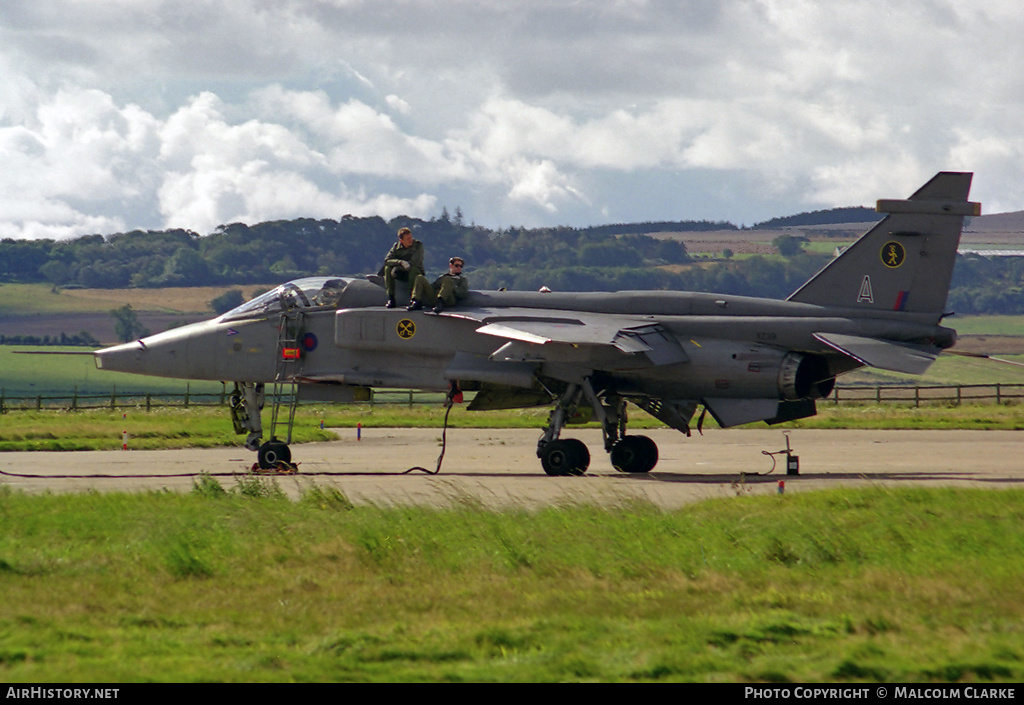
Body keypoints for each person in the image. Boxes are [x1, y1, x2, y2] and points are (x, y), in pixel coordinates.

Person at [381, 227, 424, 308]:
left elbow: (415, 261)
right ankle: (391, 298)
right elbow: (387, 260)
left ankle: (414, 298)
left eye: (410, 237)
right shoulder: (396, 246)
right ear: (401, 240)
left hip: (414, 271)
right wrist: (401, 262)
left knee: (413, 270)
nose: (410, 240)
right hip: (400, 271)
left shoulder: (418, 245)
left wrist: (404, 266)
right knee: (387, 268)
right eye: (407, 239)